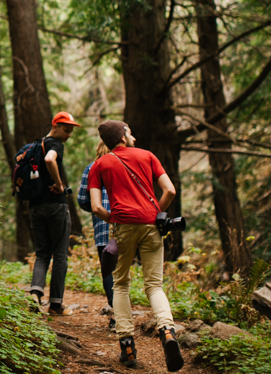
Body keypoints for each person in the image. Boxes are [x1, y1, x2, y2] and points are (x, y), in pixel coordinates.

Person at [87, 121, 184, 372]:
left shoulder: (99, 165)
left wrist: (116, 219)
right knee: (154, 285)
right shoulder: (148, 156)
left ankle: (127, 346)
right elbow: (170, 190)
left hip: (123, 228)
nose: (135, 137)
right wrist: (153, 213)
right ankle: (167, 332)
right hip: (152, 226)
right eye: (130, 133)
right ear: (122, 135)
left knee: (121, 284)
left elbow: (97, 207)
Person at [27, 111, 80, 315]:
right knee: (59, 255)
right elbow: (50, 160)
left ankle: (35, 294)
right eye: (66, 130)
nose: (68, 135)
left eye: (71, 131)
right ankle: (56, 304)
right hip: (55, 206)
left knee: (42, 254)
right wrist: (59, 185)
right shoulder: (54, 145)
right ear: (55, 126)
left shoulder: (35, 146)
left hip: (35, 206)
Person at [76, 140, 115, 331]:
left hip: (102, 225)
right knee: (122, 270)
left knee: (108, 270)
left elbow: (82, 199)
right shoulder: (124, 164)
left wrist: (93, 207)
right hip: (126, 223)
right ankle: (123, 315)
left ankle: (116, 312)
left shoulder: (92, 168)